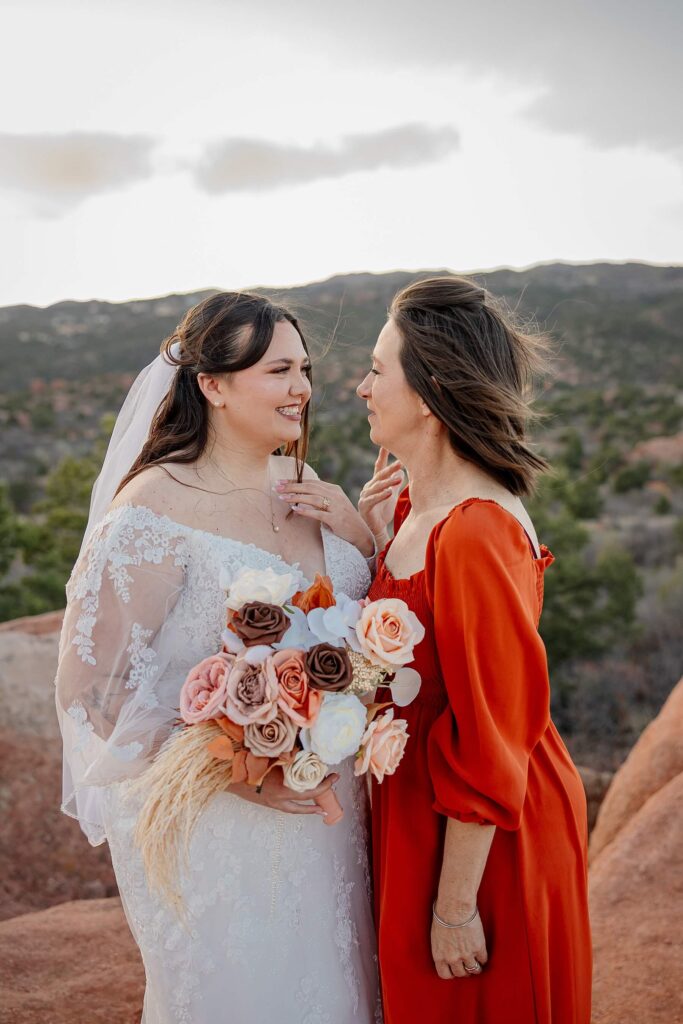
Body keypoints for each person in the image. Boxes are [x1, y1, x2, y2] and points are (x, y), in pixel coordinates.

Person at [55, 291, 381, 1023]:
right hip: (223, 833)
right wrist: (229, 767)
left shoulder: (309, 490)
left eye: (303, 369)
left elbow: (360, 634)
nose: (300, 388)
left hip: (333, 822)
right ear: (212, 384)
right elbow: (87, 689)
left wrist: (361, 537)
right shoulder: (153, 509)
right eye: (277, 370)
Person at [354, 276, 592, 1023]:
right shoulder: (405, 505)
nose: (361, 387)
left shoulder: (477, 530)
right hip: (421, 812)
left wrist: (454, 904)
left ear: (426, 396)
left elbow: (491, 734)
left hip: (481, 840)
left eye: (376, 369)